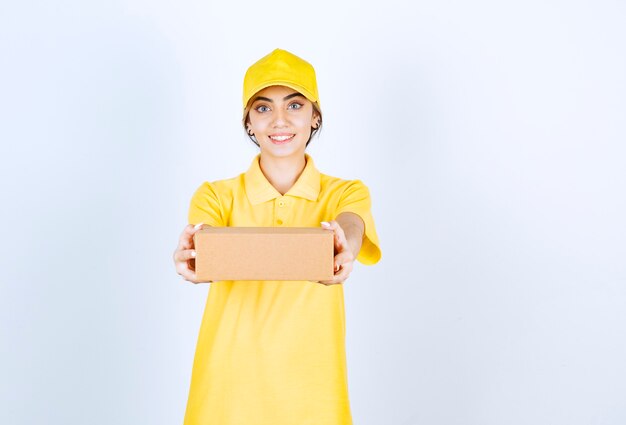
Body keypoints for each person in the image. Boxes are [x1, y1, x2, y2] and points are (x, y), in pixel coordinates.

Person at [172, 48, 382, 425]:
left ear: (315, 117)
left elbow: (351, 225)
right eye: (263, 108)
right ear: (248, 122)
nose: (279, 121)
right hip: (227, 388)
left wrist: (344, 248)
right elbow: (203, 245)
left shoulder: (345, 193)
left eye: (295, 106)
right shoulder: (216, 195)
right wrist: (192, 256)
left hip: (313, 389)